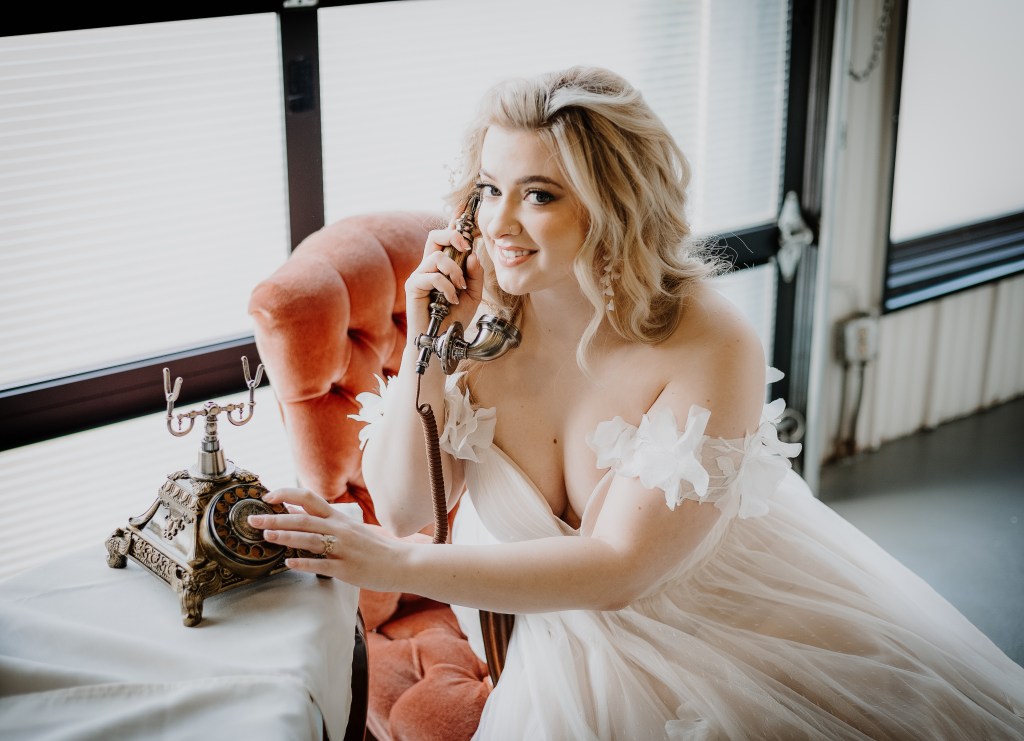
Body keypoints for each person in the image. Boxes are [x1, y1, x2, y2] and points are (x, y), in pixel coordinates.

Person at [249, 66, 1024, 739]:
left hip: (727, 635)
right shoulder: (481, 321)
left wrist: (396, 563)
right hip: (563, 651)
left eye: (539, 194)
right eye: (488, 189)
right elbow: (401, 503)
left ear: (612, 205)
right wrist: (427, 346)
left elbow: (621, 565)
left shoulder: (711, 342)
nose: (499, 224)